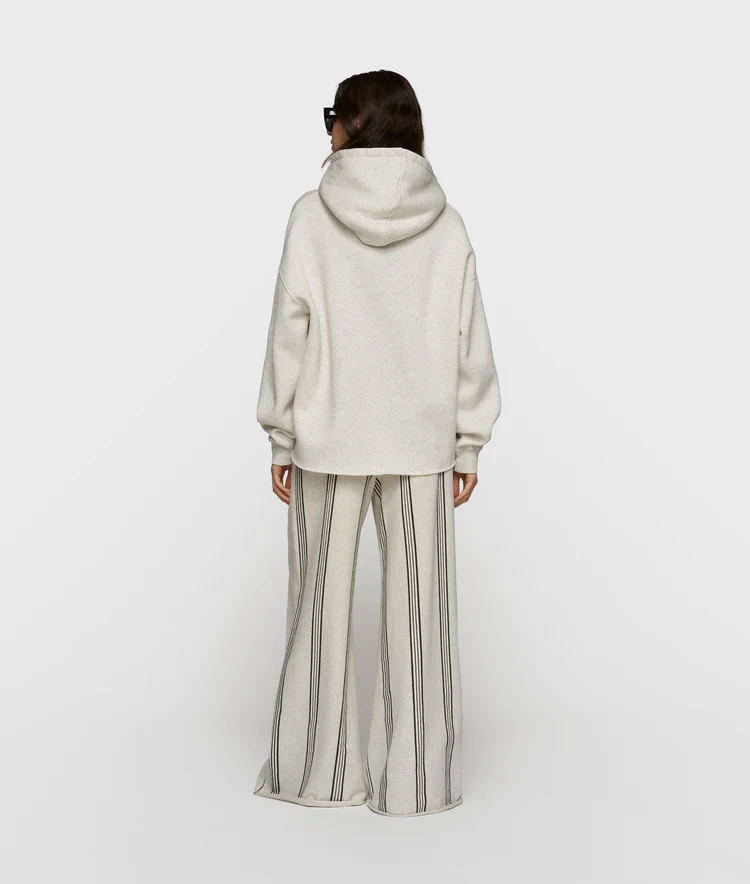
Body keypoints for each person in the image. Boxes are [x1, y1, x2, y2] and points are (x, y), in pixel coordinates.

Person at [253, 70, 501, 817]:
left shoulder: (311, 216)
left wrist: (281, 435)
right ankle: (416, 783)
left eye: (333, 115)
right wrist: (467, 442)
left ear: (355, 126)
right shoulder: (448, 226)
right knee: (423, 618)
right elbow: (470, 341)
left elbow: (289, 331)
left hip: (327, 440)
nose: (326, 129)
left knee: (317, 613)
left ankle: (316, 774)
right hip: (421, 445)